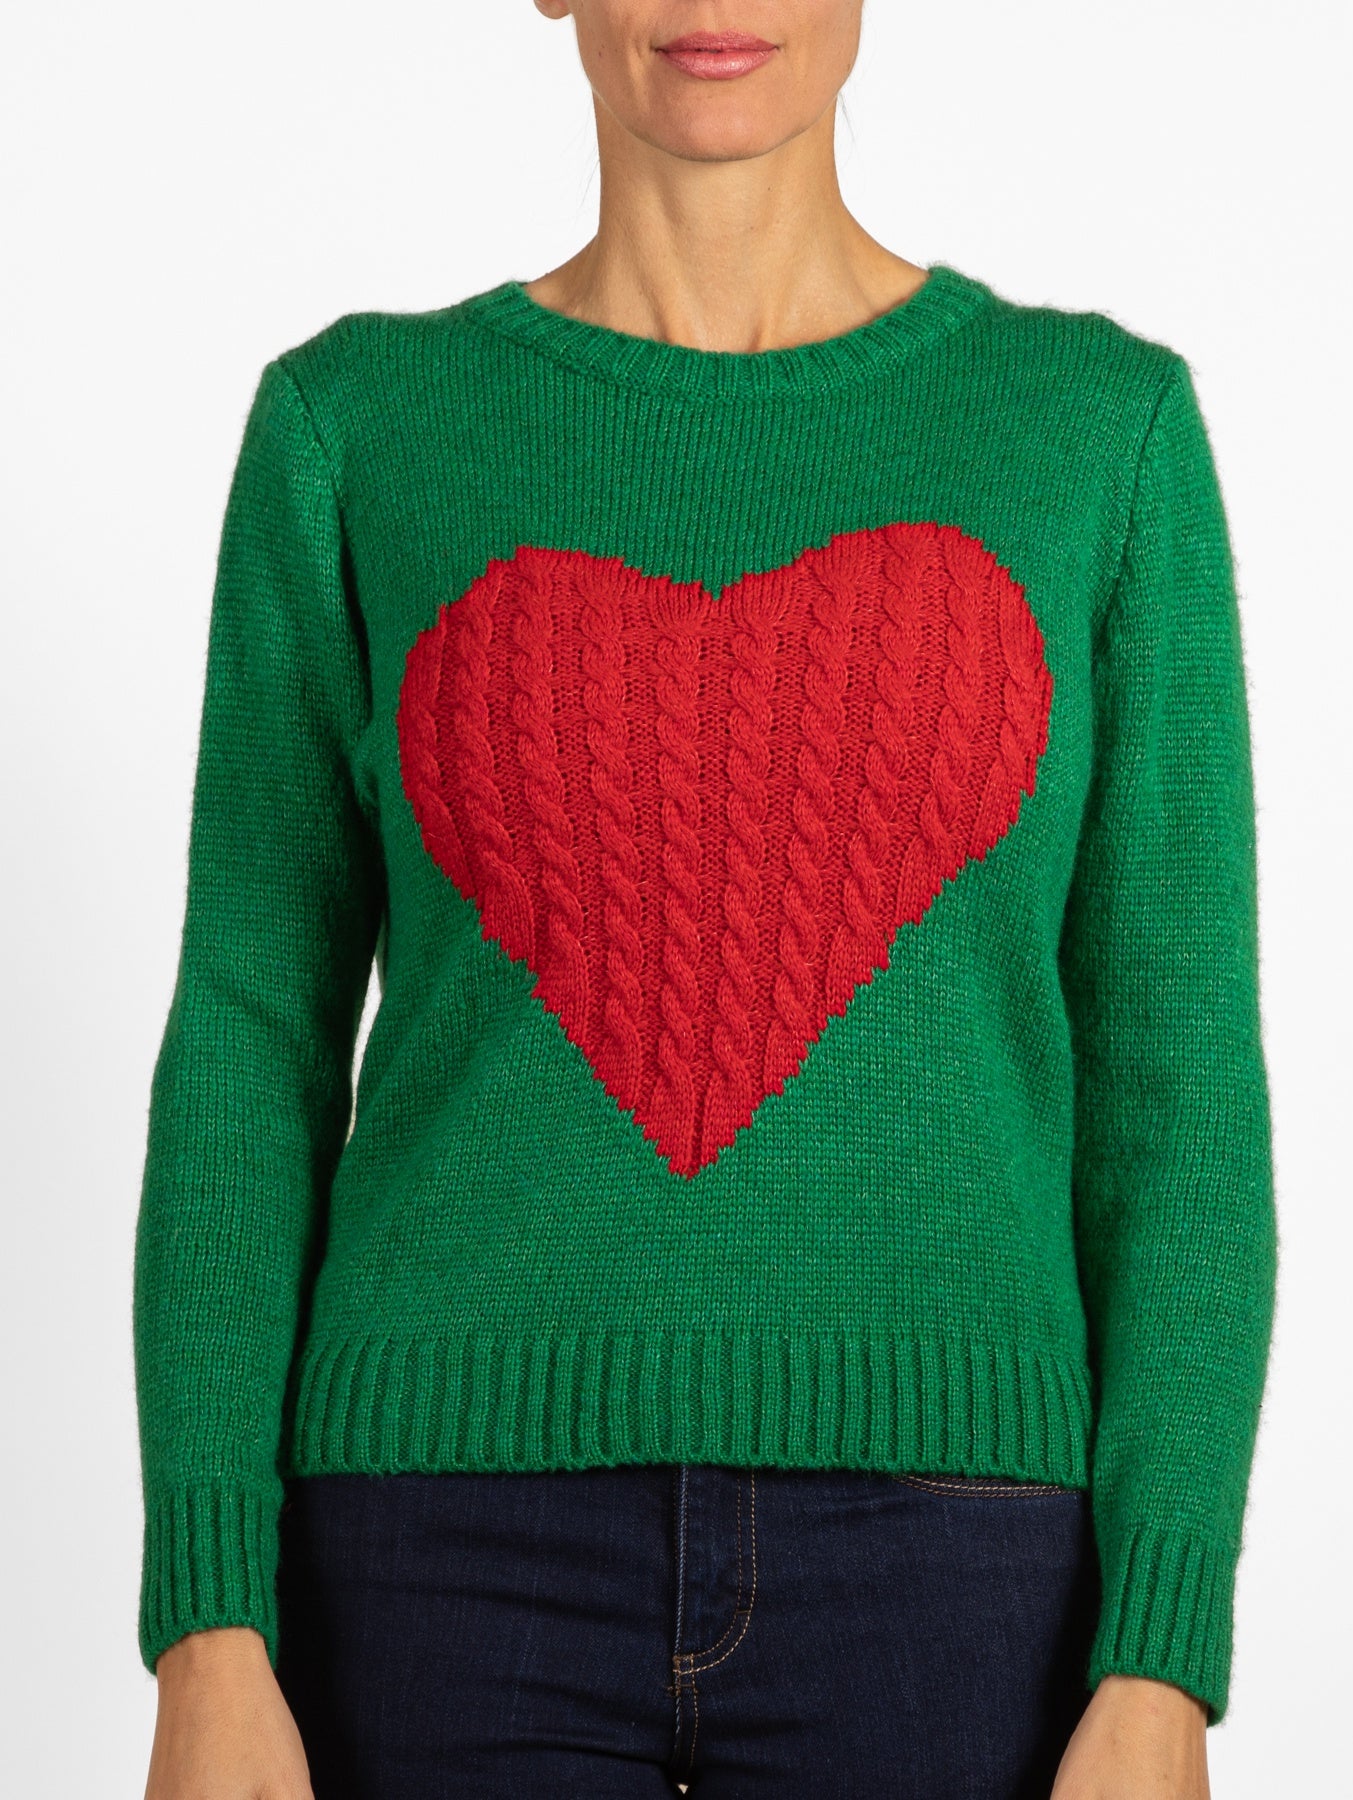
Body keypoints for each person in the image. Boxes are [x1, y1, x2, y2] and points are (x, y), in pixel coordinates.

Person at [135, 3, 1276, 1796]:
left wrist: (1163, 1657)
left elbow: (1180, 1088)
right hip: (436, 1554)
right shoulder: (356, 428)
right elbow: (247, 1040)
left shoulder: (1097, 434)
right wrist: (208, 1625)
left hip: (959, 1568)